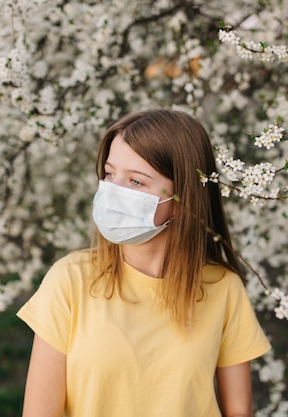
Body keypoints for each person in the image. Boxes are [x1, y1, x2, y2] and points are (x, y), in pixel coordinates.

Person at [17, 109, 271, 417]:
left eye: (136, 182)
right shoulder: (70, 280)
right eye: (110, 174)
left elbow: (239, 410)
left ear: (184, 197)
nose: (114, 192)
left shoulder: (223, 289)